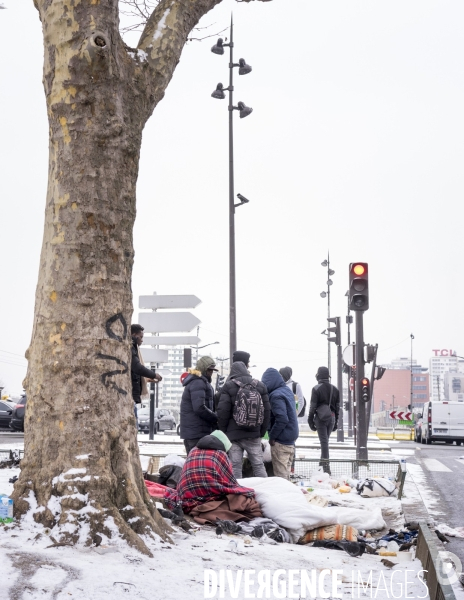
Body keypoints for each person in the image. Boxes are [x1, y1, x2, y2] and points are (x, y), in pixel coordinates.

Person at [164, 430, 261, 521]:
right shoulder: (221, 455)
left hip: (185, 493)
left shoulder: (193, 450)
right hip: (207, 495)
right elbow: (230, 482)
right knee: (244, 500)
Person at [217, 361, 271, 479]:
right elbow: (267, 411)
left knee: (235, 465)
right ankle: (266, 490)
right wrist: (261, 432)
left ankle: (238, 493)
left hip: (234, 435)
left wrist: (224, 432)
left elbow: (223, 412)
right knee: (258, 465)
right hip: (254, 434)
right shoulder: (260, 386)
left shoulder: (229, 386)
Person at [261, 368, 299, 480]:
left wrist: (272, 436)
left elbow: (282, 419)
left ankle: (284, 497)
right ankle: (289, 496)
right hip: (291, 440)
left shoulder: (275, 395)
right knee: (286, 475)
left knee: (281, 478)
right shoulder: (287, 391)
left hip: (281, 441)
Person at [180, 356, 219, 454]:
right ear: (203, 369)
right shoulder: (198, 382)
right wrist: (215, 418)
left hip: (196, 432)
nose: (211, 372)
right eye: (209, 370)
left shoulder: (200, 382)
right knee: (197, 465)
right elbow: (199, 408)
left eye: (212, 370)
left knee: (197, 465)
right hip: (196, 433)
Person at [308, 366, 340, 473]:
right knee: (325, 442)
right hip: (332, 418)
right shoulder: (335, 389)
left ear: (318, 376)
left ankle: (326, 467)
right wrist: (336, 422)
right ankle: (322, 466)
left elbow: (312, 407)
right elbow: (338, 408)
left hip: (320, 418)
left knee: (324, 442)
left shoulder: (316, 389)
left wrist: (310, 420)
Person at [131, 324, 162, 427]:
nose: (142, 340)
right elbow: (137, 368)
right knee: (133, 427)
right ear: (134, 335)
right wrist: (154, 375)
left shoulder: (133, 348)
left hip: (132, 395)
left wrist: (146, 379)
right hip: (130, 396)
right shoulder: (131, 348)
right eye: (141, 337)